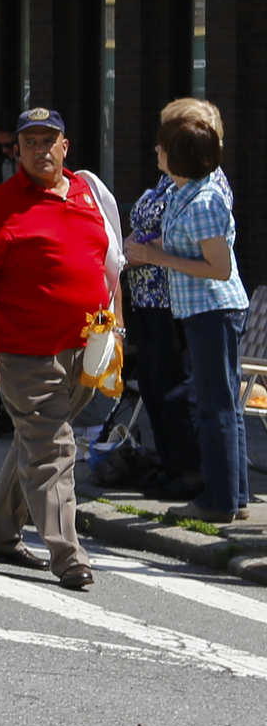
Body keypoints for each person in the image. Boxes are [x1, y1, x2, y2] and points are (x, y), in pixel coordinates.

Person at [0, 106, 117, 589]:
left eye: (48, 139)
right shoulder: (0, 205)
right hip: (26, 351)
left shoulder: (89, 193)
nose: (39, 148)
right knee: (53, 446)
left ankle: (0, 534)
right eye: (29, 141)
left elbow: (109, 270)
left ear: (64, 147)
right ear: (18, 151)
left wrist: (117, 337)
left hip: (87, 345)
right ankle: (68, 554)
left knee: (36, 441)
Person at [131, 99, 247, 523]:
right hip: (201, 309)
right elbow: (189, 246)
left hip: (213, 309)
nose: (156, 152)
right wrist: (153, 248)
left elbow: (219, 267)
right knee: (224, 405)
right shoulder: (187, 191)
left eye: (162, 147)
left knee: (216, 407)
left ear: (177, 155)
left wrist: (156, 256)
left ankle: (218, 501)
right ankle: (236, 497)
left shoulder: (203, 200)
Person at [122, 145, 204, 502]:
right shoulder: (163, 184)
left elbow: (175, 238)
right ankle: (168, 464)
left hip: (170, 298)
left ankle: (190, 472)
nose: (155, 148)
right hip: (143, 296)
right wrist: (127, 248)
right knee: (152, 384)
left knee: (174, 388)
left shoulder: (196, 186)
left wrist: (138, 249)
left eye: (163, 143)